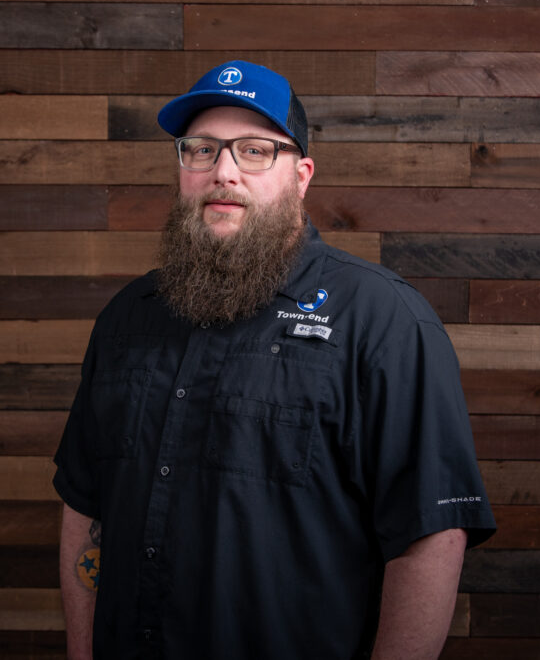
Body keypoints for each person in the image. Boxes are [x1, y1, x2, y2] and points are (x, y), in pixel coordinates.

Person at [53, 60, 495, 660]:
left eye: (255, 151)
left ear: (301, 174)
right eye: (202, 150)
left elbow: (432, 536)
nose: (223, 172)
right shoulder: (127, 317)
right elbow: (85, 508)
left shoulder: (382, 319)